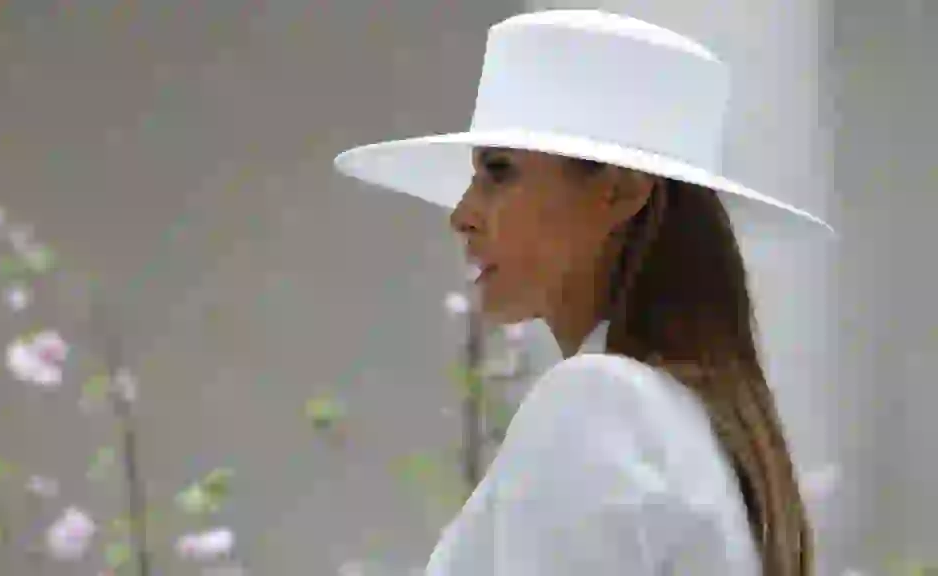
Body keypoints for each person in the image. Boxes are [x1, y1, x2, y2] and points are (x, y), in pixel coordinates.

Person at [333, 9, 832, 576]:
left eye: (498, 171)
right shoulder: (698, 427)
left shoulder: (599, 403)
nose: (463, 213)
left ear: (618, 193)